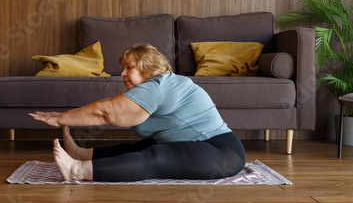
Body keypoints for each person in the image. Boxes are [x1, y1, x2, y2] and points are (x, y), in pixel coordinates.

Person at [29, 44, 245, 182]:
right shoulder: (153, 88)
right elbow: (108, 104)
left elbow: (106, 113)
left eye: (129, 67)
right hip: (200, 147)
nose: (122, 73)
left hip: (221, 153)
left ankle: (77, 171)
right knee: (143, 147)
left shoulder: (159, 86)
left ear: (148, 67)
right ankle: (82, 155)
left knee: (156, 156)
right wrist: (64, 116)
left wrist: (60, 118)